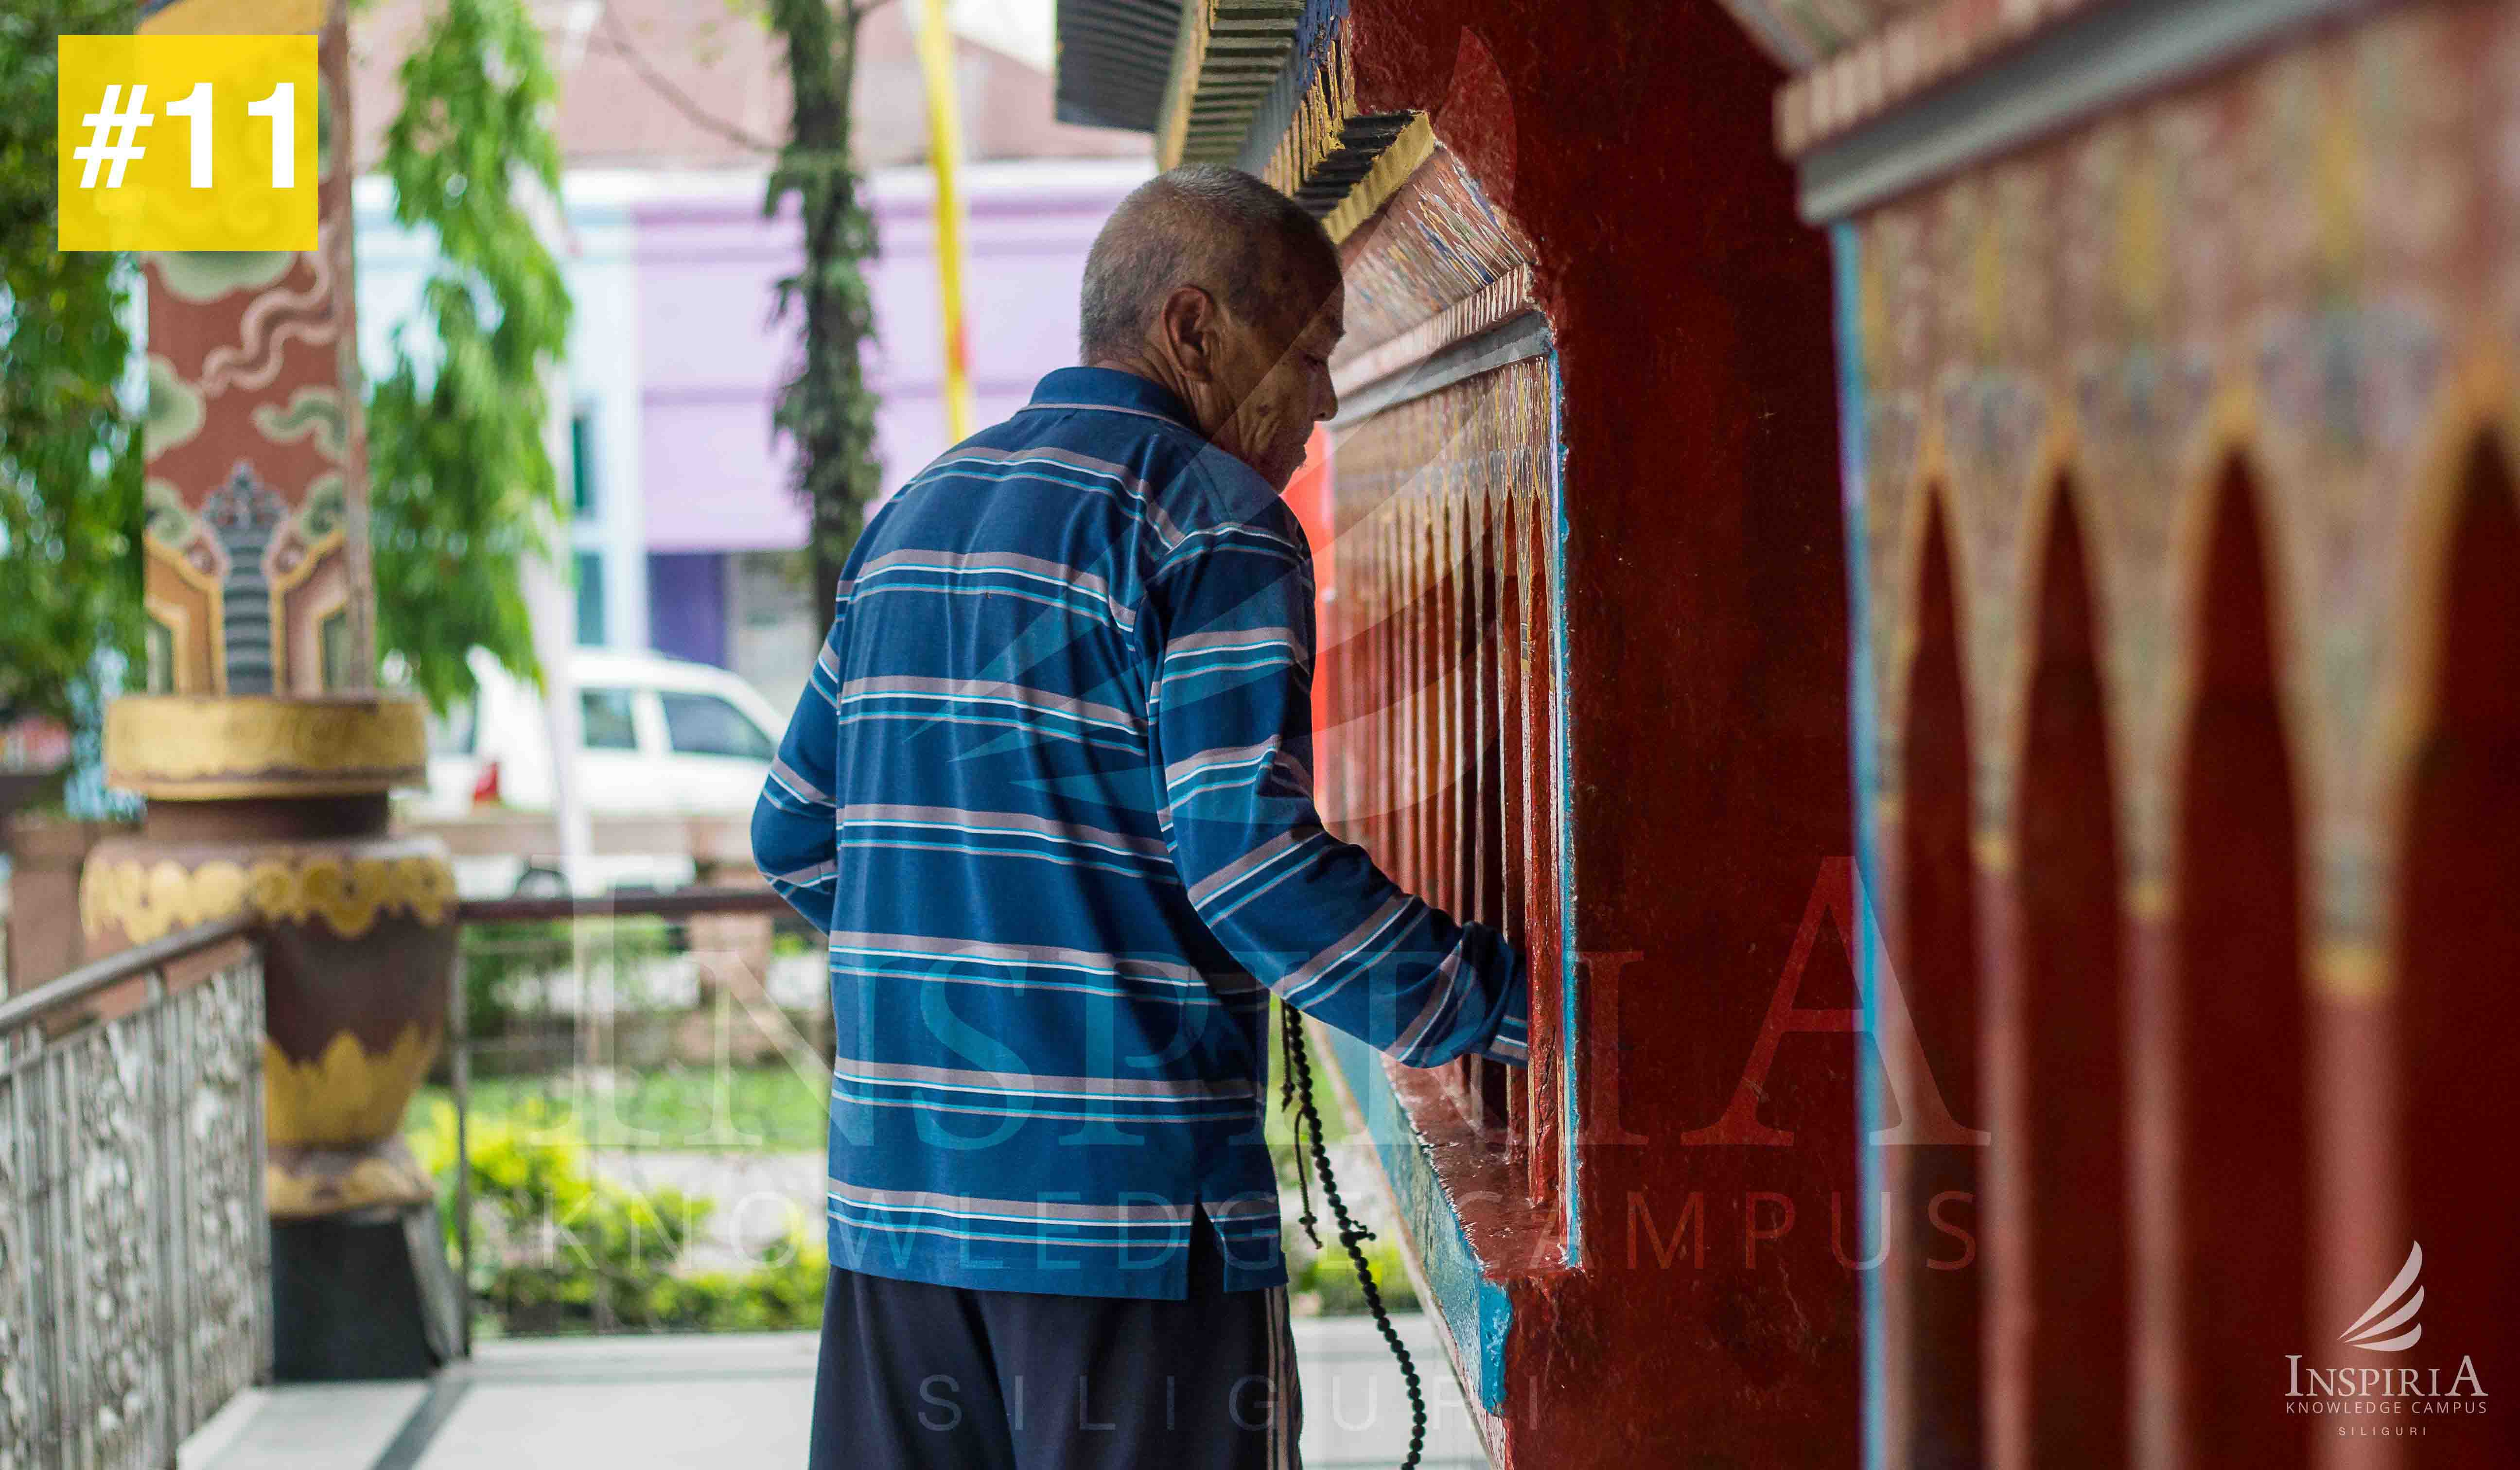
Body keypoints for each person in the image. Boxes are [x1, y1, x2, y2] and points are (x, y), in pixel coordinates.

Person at [753, 163, 1529, 1470]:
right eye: (1315, 352)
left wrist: (993, 953)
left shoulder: (912, 522)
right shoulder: (1215, 526)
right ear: (1195, 328)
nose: (1325, 403)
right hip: (1128, 1235)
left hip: (896, 1223)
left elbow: (796, 835)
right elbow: (1252, 872)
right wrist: (1505, 1006)